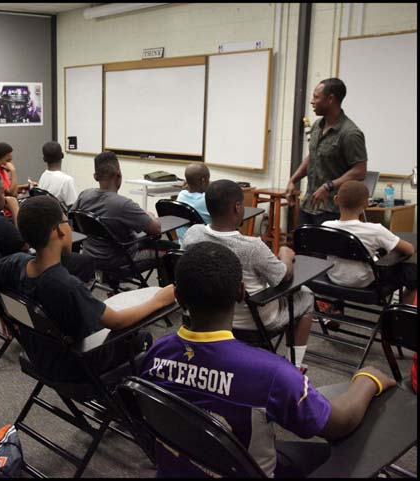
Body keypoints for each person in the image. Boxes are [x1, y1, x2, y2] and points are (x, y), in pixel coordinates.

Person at [140, 241, 397, 477]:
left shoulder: (156, 353)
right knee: (341, 452)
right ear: (241, 292)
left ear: (178, 296)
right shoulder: (272, 373)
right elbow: (339, 424)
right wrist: (368, 379)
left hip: (180, 467)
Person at [0, 195, 176, 382]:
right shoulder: (66, 284)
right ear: (58, 231)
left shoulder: (12, 263)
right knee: (142, 338)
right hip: (77, 366)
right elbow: (117, 321)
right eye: (67, 222)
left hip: (40, 355)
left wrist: (9, 312)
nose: (70, 227)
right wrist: (159, 299)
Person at [182, 179, 313, 372]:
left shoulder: (193, 234)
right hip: (250, 323)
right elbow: (283, 276)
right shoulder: (253, 247)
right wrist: (285, 252)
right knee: (306, 295)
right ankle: (295, 366)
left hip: (202, 315)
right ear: (237, 207)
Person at [0, 171, 95, 282]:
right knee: (83, 261)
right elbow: (25, 243)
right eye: (2, 193)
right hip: (20, 272)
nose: (5, 196)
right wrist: (15, 208)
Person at [72, 150, 176, 270]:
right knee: (174, 251)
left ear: (95, 177)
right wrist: (149, 214)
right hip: (121, 260)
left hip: (90, 256)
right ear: (118, 174)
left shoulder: (84, 195)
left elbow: (71, 218)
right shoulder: (123, 205)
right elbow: (156, 229)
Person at [286, 78, 368, 226]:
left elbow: (360, 171)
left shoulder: (350, 133)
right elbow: (313, 156)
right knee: (301, 247)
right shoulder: (317, 125)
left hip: (332, 210)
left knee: (324, 249)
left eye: (316, 97)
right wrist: (293, 180)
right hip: (309, 205)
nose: (312, 101)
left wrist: (328, 186)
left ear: (330, 99)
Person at [322, 180, 416, 304]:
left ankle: (334, 309)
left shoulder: (325, 226)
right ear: (366, 204)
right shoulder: (375, 230)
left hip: (334, 277)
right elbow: (409, 250)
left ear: (336, 199)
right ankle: (400, 316)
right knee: (413, 272)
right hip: (363, 281)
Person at [175, 163, 211, 243]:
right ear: (203, 180)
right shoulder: (206, 200)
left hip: (184, 244)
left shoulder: (181, 195)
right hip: (206, 246)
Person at [38, 141, 78, 208]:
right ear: (62, 155)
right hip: (60, 217)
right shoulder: (67, 180)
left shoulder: (43, 176)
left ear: (44, 159)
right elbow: (74, 208)